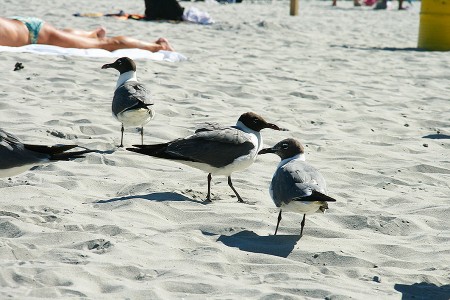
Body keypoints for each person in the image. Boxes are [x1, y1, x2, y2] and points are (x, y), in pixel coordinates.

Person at [0, 16, 174, 52]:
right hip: (24, 26)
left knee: (106, 44)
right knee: (61, 34)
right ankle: (91, 34)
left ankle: (158, 47)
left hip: (36, 34)